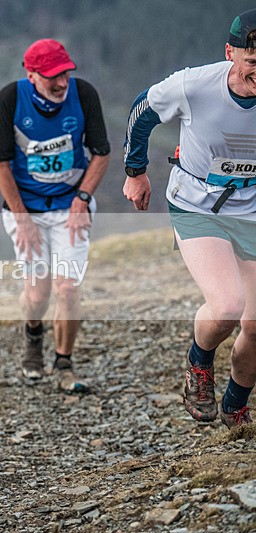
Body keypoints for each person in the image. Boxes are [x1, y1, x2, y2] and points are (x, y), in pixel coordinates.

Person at [123, 9, 256, 428]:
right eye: (253, 61)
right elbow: (142, 111)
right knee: (229, 306)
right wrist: (135, 171)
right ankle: (199, 363)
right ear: (230, 53)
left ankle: (236, 404)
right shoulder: (194, 86)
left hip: (251, 207)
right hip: (198, 204)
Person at [0, 39, 110, 391]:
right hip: (25, 208)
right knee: (37, 294)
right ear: (31, 75)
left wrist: (82, 199)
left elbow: (101, 153)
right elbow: (1, 164)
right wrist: (22, 219)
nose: (61, 83)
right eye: (51, 77)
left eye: (65, 74)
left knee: (68, 287)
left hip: (70, 204)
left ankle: (64, 364)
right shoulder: (10, 98)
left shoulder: (83, 94)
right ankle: (32, 336)